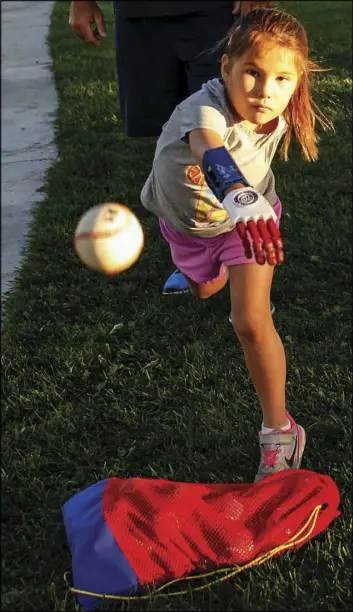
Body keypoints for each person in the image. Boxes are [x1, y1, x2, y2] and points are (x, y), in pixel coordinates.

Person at [140, 7, 333, 482]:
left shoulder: (277, 113)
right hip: (189, 227)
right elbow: (209, 145)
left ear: (297, 81)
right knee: (204, 290)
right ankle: (205, 273)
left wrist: (247, 201)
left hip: (249, 223)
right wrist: (234, 189)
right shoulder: (201, 108)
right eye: (252, 73)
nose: (266, 92)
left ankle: (279, 430)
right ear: (225, 67)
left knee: (249, 319)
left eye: (282, 79)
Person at [69, 0, 273, 294]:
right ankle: (192, 247)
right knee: (169, 135)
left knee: (228, 117)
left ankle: (243, 258)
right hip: (141, 14)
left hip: (215, 10)